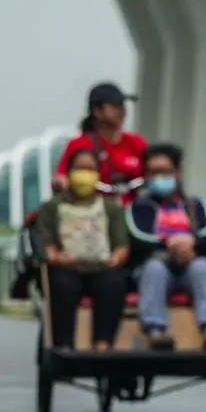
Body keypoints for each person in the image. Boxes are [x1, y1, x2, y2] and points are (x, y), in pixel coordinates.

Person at [124, 143, 206, 349]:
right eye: (153, 172)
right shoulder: (138, 208)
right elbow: (138, 237)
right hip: (154, 266)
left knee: (202, 268)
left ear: (178, 173)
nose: (159, 177)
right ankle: (155, 331)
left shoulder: (199, 205)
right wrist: (169, 245)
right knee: (155, 269)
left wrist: (192, 243)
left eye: (165, 171)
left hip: (191, 263)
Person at [37, 148, 131, 350]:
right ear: (69, 173)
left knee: (114, 284)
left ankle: (103, 344)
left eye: (90, 170)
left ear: (97, 174)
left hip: (102, 268)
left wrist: (115, 259)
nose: (85, 175)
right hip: (67, 268)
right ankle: (64, 345)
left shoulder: (110, 207)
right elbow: (47, 245)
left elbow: (121, 246)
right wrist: (57, 258)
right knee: (62, 285)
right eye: (80, 169)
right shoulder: (52, 207)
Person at [55, 82, 149, 201]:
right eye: (115, 106)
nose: (122, 111)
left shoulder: (137, 142)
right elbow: (61, 177)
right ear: (97, 111)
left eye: (122, 105)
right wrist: (61, 182)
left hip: (133, 209)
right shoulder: (79, 144)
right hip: (93, 210)